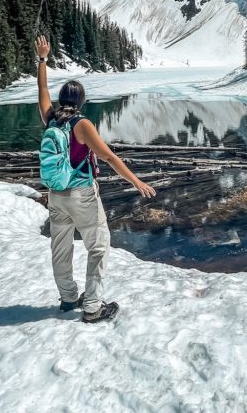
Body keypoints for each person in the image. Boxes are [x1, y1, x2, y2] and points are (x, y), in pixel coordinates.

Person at [35, 35, 156, 323]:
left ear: (62, 99)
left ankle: (68, 298)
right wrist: (136, 181)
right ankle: (92, 307)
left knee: (60, 248)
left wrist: (42, 59)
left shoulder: (51, 119)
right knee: (99, 246)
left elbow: (42, 89)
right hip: (82, 195)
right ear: (81, 101)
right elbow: (109, 157)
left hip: (56, 194)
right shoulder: (82, 124)